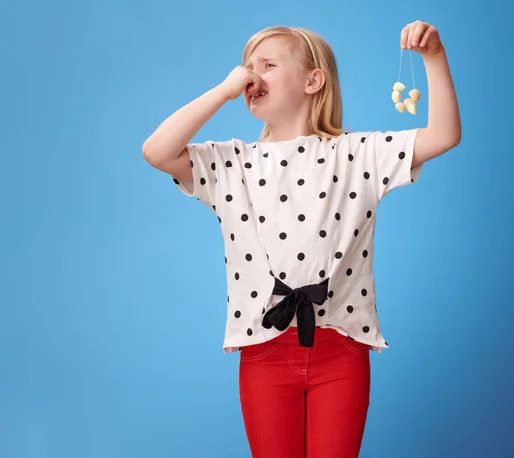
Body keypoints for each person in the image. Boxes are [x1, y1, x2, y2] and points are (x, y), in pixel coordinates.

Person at [142, 20, 461, 458]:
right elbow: (157, 151)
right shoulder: (230, 162)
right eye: (246, 67)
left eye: (268, 65)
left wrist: (434, 57)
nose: (252, 76)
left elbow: (444, 136)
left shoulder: (358, 153)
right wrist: (224, 89)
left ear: (313, 80)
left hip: (342, 349)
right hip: (263, 351)